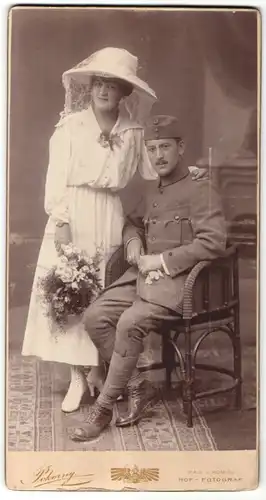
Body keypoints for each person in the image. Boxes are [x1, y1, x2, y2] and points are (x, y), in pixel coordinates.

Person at [70, 114, 227, 442]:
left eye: (165, 147)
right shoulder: (152, 188)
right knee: (96, 316)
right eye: (152, 148)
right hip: (142, 277)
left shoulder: (201, 188)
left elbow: (213, 242)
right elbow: (132, 221)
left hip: (181, 283)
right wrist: (133, 241)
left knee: (128, 323)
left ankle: (102, 408)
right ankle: (138, 385)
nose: (159, 156)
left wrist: (161, 260)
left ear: (180, 148)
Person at [21, 47, 159, 413]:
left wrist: (188, 174)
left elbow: (152, 171)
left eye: (112, 85)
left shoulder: (132, 131)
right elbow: (55, 179)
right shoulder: (70, 126)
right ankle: (77, 378)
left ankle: (98, 372)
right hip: (74, 210)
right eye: (98, 83)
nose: (103, 91)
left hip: (108, 215)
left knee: (101, 290)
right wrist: (61, 221)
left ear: (123, 92)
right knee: (71, 291)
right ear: (90, 87)